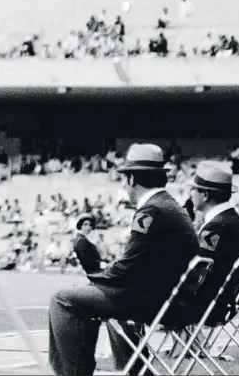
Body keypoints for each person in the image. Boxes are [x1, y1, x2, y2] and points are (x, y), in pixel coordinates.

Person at [47, 144, 199, 376]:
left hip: (152, 300)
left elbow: (128, 267)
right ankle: (130, 370)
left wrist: (96, 280)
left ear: (131, 179)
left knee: (63, 299)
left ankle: (73, 372)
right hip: (169, 297)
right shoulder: (168, 206)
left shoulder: (152, 210)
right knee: (85, 298)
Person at [188, 160, 239, 321]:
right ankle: (189, 347)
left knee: (126, 300)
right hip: (220, 302)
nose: (191, 194)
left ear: (205, 195)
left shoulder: (217, 227)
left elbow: (195, 270)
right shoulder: (230, 220)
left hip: (206, 306)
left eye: (194, 189)